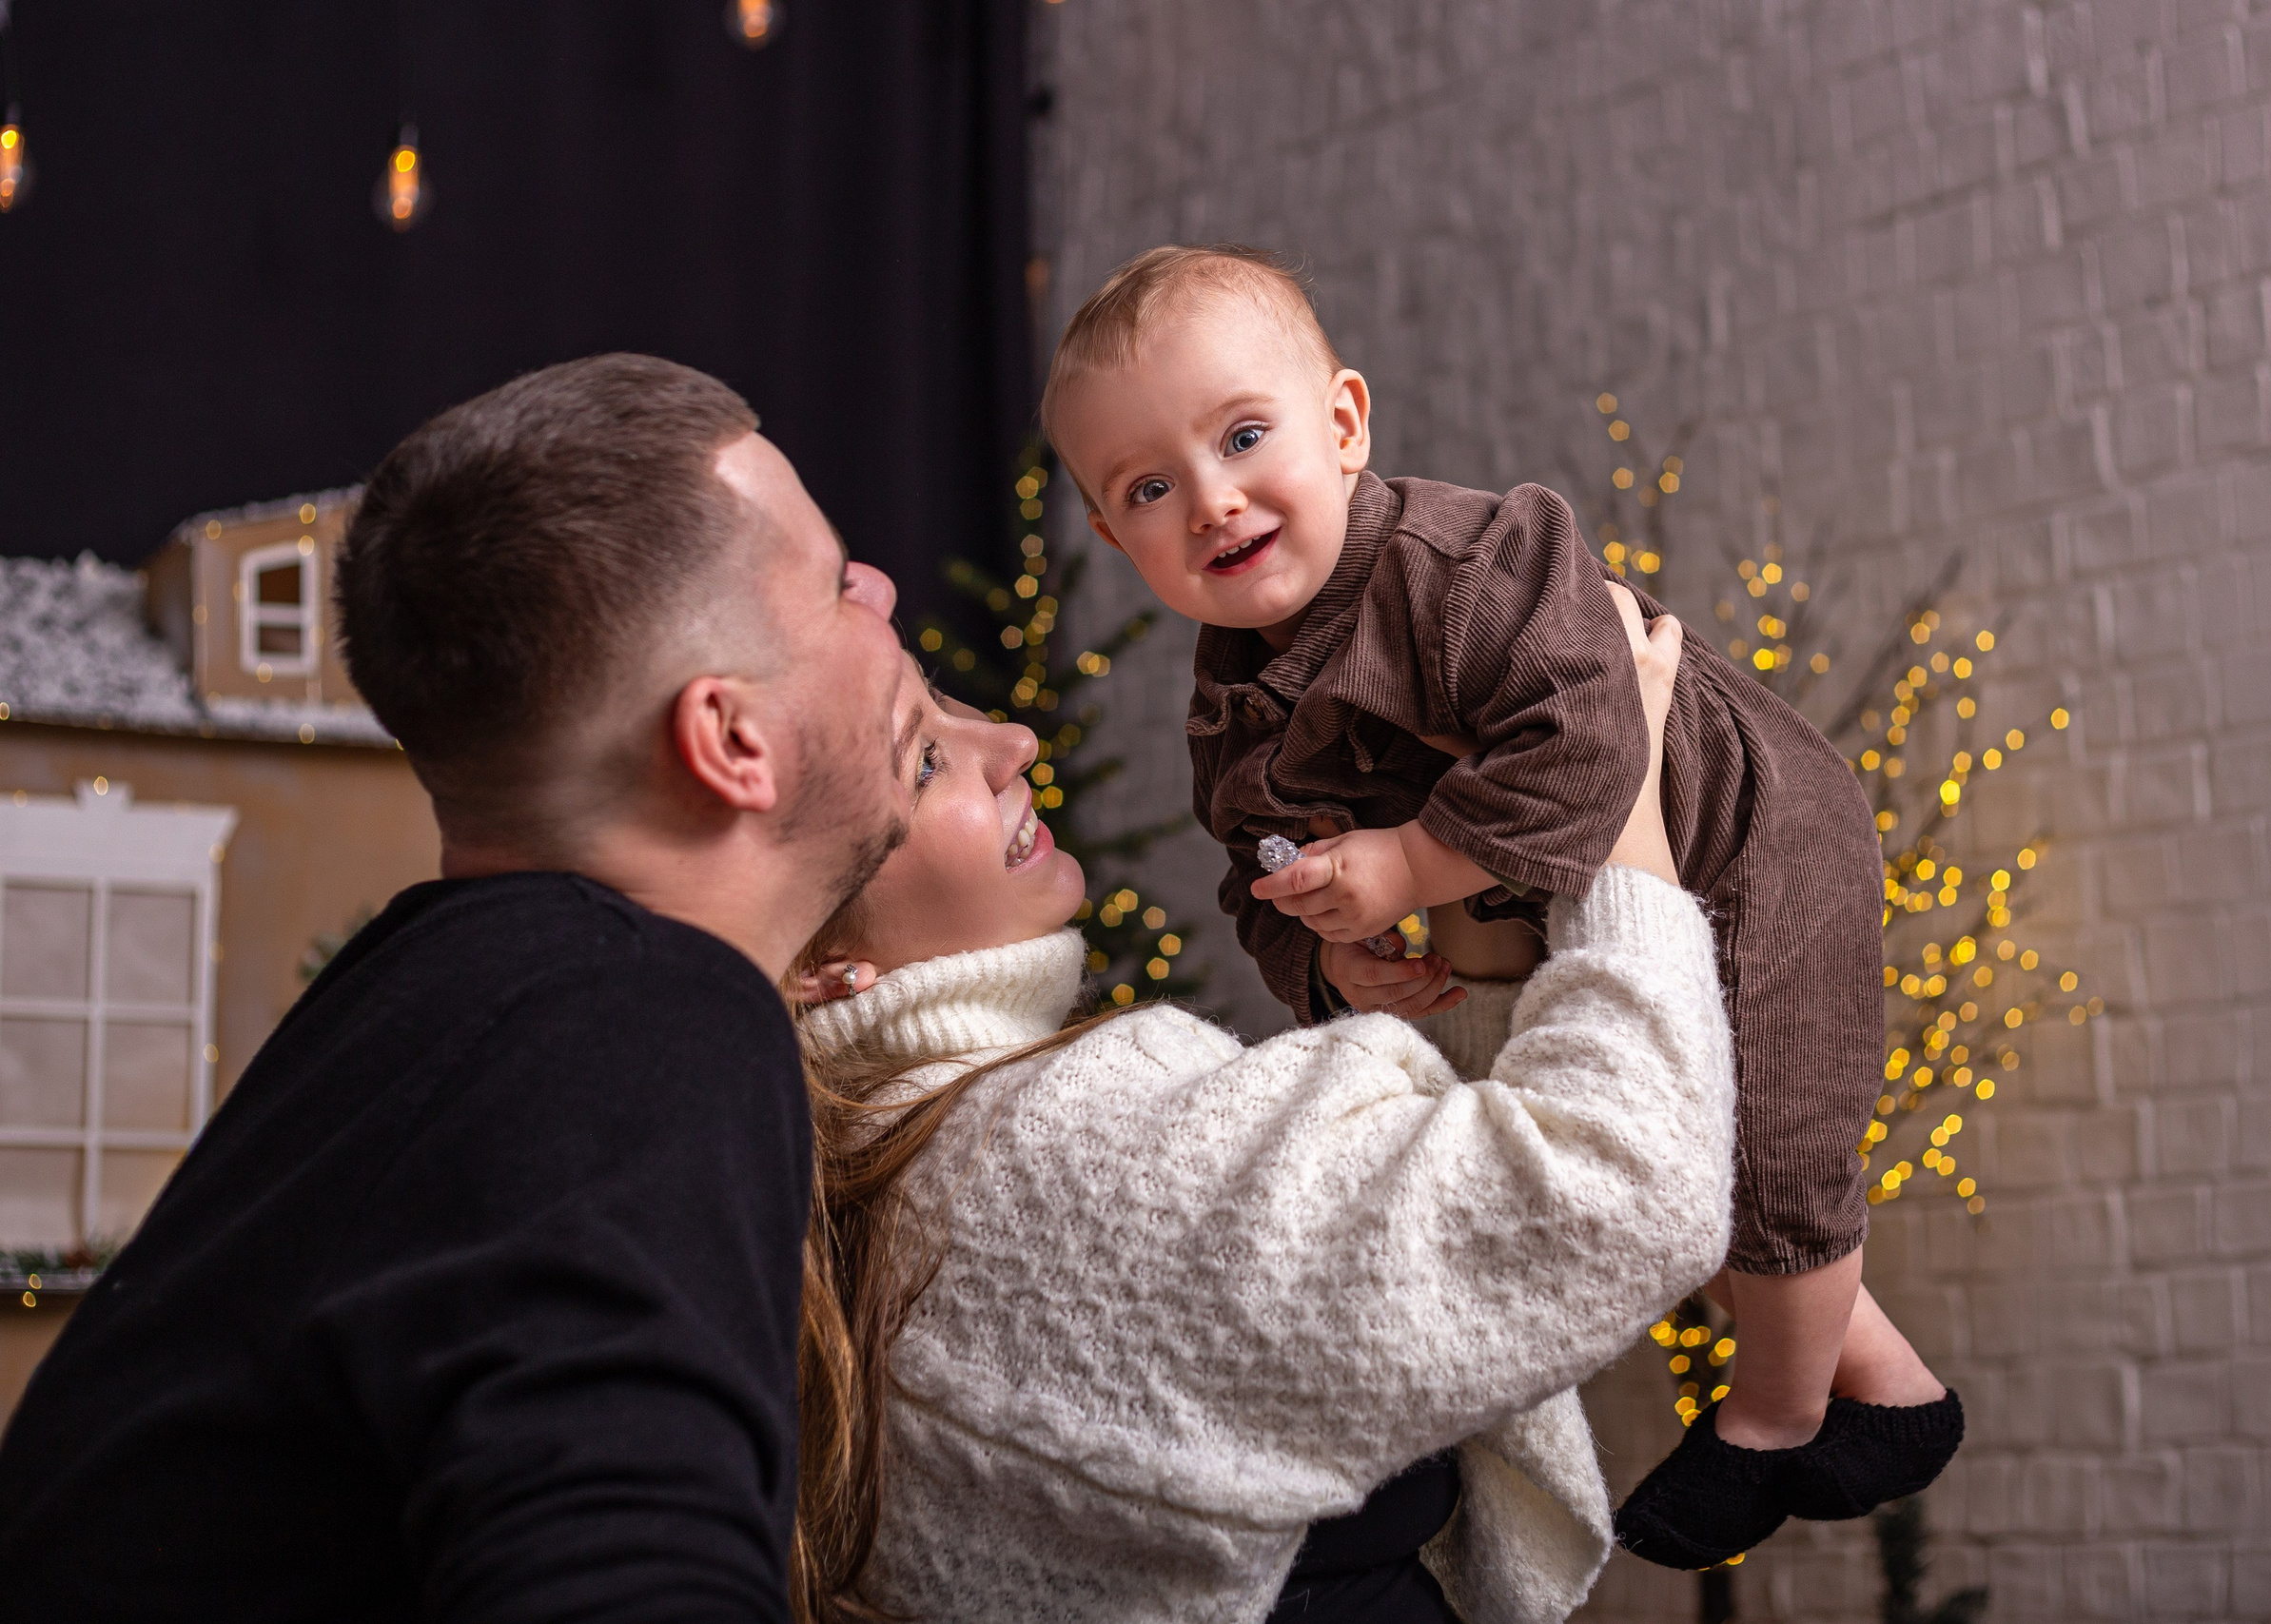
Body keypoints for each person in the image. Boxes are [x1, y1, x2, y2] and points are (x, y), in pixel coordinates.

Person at [1039, 245, 1962, 1569]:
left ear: (1344, 422)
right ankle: (1894, 1391)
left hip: (1743, 829)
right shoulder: (1229, 698)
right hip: (1565, 902)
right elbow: (1257, 859)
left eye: (1245, 435)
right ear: (1115, 531)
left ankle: (1772, 1411)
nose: (1213, 499)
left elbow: (1594, 735)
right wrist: (1324, 953)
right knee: (1651, 1143)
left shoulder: (1464, 562)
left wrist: (1412, 864)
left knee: (1774, 1122)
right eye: (1148, 486)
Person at [0, 355, 910, 1622]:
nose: (882, 591)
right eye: (833, 582)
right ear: (732, 740)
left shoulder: (455, 1001)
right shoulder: (636, 1014)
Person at [788, 601, 1733, 1623]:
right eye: (922, 761)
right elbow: (1617, 1186)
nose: (1008, 742)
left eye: (942, 701)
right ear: (818, 964)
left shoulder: (860, 1158)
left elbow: (1410, 1218)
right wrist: (1614, 807)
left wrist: (1464, 914)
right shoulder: (1044, 1147)